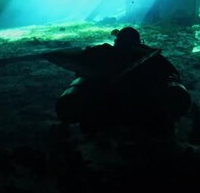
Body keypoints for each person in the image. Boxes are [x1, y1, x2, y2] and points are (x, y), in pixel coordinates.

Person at [54, 27, 191, 137]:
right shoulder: (153, 58)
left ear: (116, 41)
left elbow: (81, 73)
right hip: (143, 116)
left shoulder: (101, 54)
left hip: (105, 114)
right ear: (139, 42)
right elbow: (172, 76)